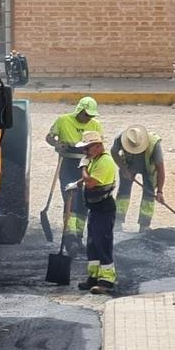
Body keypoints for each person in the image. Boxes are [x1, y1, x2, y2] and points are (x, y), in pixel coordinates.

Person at [45, 96, 103, 247]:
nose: (87, 118)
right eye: (86, 115)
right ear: (79, 110)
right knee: (70, 198)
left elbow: (100, 147)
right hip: (68, 163)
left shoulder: (95, 125)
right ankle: (69, 236)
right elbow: (49, 137)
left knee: (84, 201)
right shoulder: (63, 120)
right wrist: (57, 144)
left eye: (90, 116)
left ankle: (78, 236)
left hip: (86, 165)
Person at [72, 130, 118, 294]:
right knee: (93, 243)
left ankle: (106, 281)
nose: (85, 151)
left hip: (104, 209)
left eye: (87, 148)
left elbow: (90, 182)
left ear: (98, 146)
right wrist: (76, 184)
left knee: (102, 243)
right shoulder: (96, 160)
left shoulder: (104, 162)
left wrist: (83, 167)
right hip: (96, 208)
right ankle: (93, 277)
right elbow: (86, 179)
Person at [111, 124, 166, 232]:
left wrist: (159, 191)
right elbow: (113, 152)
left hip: (148, 168)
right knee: (123, 193)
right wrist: (123, 169)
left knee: (149, 195)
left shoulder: (154, 144)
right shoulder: (120, 139)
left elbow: (161, 169)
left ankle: (144, 225)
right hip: (129, 165)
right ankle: (117, 221)